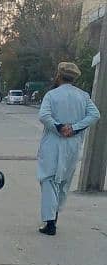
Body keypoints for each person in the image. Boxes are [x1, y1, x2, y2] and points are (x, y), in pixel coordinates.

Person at [36, 61, 100, 235]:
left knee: (49, 179)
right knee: (63, 181)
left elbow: (44, 115)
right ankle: (54, 216)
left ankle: (50, 222)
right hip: (72, 143)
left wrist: (58, 126)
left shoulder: (52, 95)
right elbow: (95, 114)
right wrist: (75, 127)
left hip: (53, 143)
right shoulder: (83, 96)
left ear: (59, 75)